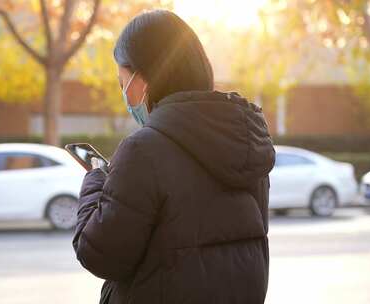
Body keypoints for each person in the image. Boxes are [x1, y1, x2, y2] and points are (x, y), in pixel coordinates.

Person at [73, 9, 275, 304]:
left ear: (144, 79)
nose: (125, 96)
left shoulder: (143, 151)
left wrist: (95, 180)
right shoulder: (246, 142)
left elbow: (101, 255)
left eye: (123, 83)